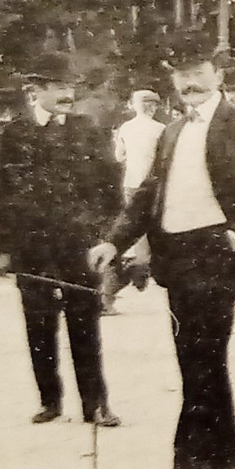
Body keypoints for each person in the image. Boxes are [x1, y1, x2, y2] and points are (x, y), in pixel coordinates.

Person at [87, 39, 235, 469]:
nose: (187, 82)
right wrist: (112, 239)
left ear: (218, 73)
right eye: (179, 73)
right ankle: (222, 457)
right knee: (200, 361)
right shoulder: (172, 130)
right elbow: (146, 195)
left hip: (217, 253)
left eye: (196, 71)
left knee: (200, 359)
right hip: (176, 259)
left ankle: (189, 468)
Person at [0, 53, 122, 428]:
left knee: (86, 324)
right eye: (59, 87)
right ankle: (50, 400)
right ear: (36, 91)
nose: (67, 93)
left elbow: (109, 188)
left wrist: (107, 237)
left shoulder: (87, 129)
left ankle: (95, 404)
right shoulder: (13, 133)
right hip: (31, 248)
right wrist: (3, 248)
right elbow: (3, 193)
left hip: (78, 246)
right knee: (38, 325)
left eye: (70, 87)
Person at [105, 89, 164, 313]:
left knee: (134, 229)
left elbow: (119, 156)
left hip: (131, 182)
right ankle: (141, 270)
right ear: (153, 107)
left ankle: (136, 269)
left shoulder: (126, 127)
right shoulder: (160, 129)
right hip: (153, 184)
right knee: (153, 229)